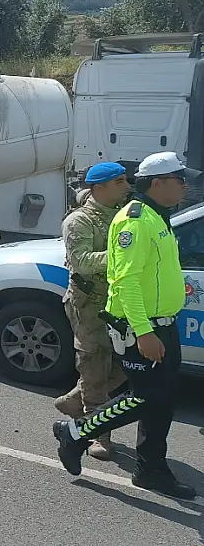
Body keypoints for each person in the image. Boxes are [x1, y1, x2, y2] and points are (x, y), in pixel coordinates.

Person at [53, 151, 200, 500]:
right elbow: (127, 281)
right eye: (179, 179)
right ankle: (75, 434)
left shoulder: (158, 216)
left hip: (162, 322)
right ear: (158, 183)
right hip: (142, 325)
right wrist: (144, 332)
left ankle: (151, 469)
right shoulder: (135, 221)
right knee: (143, 397)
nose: (185, 185)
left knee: (161, 400)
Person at [52, 162, 132, 460]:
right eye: (120, 182)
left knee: (125, 365)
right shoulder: (80, 220)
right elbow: (82, 261)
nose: (127, 186)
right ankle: (98, 433)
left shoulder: (125, 213)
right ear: (100, 187)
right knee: (95, 365)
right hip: (90, 305)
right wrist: (125, 255)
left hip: (121, 302)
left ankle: (74, 400)